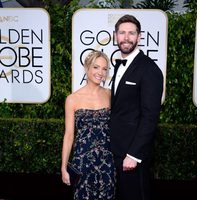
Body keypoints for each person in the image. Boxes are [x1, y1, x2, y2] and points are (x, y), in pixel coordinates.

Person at [109, 14, 163, 200]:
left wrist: (134, 154)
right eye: (122, 32)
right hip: (115, 152)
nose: (126, 37)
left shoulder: (150, 69)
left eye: (131, 33)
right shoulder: (118, 66)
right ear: (115, 35)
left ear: (139, 37)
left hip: (132, 156)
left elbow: (150, 116)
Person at [61, 50, 116, 200]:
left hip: (108, 162)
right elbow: (69, 135)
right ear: (87, 68)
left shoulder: (110, 95)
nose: (100, 72)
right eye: (96, 67)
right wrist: (63, 167)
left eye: (105, 69)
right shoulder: (72, 99)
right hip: (82, 162)